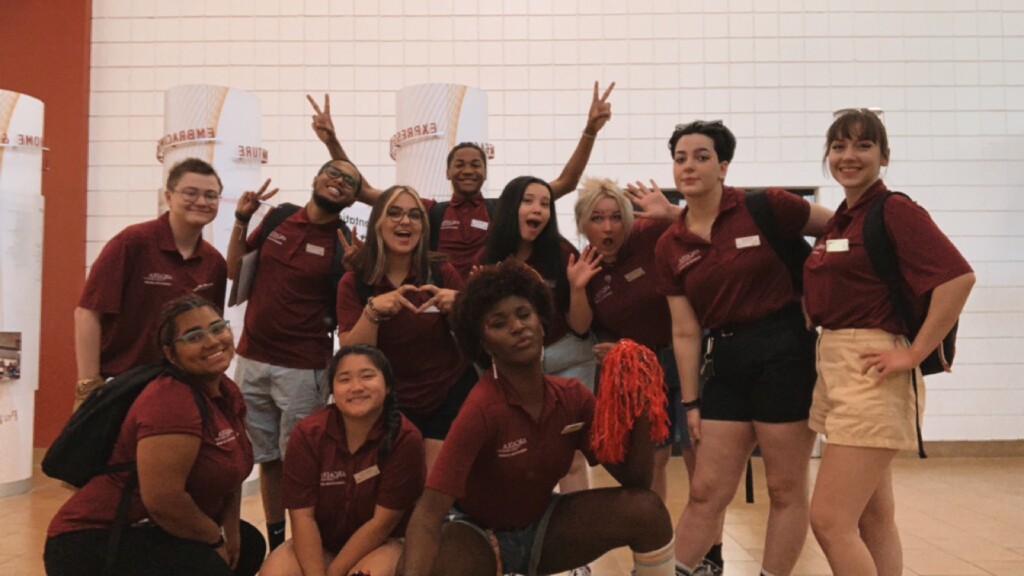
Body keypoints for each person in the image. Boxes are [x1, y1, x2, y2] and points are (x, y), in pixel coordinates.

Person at [400, 260, 677, 576]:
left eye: (523, 314)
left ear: (542, 323)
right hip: (478, 535)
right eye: (499, 323)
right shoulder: (481, 409)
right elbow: (427, 513)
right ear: (484, 344)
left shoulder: (571, 397)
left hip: (544, 528)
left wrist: (639, 406)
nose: (517, 327)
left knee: (647, 510)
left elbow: (637, 482)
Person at [653, 120, 833, 576]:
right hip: (726, 360)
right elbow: (686, 331)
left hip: (785, 352)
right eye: (680, 158)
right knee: (706, 490)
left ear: (723, 166)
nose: (689, 166)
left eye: (701, 156)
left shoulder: (766, 206)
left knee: (786, 488)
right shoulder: (670, 244)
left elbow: (839, 231)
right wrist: (690, 401)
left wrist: (819, 292)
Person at [804, 109, 974, 576]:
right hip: (835, 366)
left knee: (829, 519)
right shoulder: (842, 219)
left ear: (884, 155)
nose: (848, 156)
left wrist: (915, 352)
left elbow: (958, 278)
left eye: (862, 145)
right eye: (839, 146)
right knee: (871, 516)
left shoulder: (895, 209)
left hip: (871, 369)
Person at [45, 295, 265, 576]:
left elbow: (231, 473)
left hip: (151, 527)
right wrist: (214, 538)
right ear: (170, 354)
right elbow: (163, 501)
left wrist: (231, 529)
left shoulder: (226, 390)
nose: (212, 341)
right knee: (207, 568)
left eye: (217, 328)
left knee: (248, 545)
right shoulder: (171, 401)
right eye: (194, 336)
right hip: (95, 541)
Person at [307, 81, 614, 279]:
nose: (468, 170)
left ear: (485, 171)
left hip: (490, 306)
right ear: (448, 172)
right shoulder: (430, 210)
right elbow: (362, 190)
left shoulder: (504, 208)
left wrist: (591, 130)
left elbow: (566, 182)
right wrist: (331, 142)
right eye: (460, 164)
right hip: (443, 308)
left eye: (475, 164)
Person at [225, 160, 363, 551]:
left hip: (304, 369)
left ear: (353, 198)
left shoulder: (344, 243)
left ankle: (306, 544)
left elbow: (350, 304)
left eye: (350, 182)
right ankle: (276, 541)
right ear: (316, 178)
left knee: (301, 464)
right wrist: (240, 219)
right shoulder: (278, 218)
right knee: (266, 459)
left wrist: (357, 271)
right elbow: (237, 268)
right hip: (251, 359)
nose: (339, 182)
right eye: (333, 174)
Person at [73, 158, 227, 409]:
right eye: (190, 193)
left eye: (211, 195)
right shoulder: (132, 243)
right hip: (123, 386)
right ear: (168, 196)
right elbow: (88, 313)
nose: (201, 202)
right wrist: (88, 386)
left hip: (184, 387)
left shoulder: (214, 263)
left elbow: (210, 331)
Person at [259, 345, 426, 576]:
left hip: (382, 545)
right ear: (333, 390)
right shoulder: (308, 434)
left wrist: (335, 572)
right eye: (344, 379)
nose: (356, 387)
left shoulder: (405, 439)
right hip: (321, 544)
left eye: (367, 376)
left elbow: (382, 524)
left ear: (387, 386)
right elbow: (302, 518)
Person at [573, 177, 692, 501]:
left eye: (615, 217)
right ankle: (658, 541)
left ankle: (712, 550)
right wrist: (577, 288)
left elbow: (705, 227)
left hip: (686, 354)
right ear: (583, 224)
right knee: (653, 463)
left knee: (699, 456)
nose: (608, 227)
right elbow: (585, 327)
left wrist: (670, 213)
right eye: (597, 219)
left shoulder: (648, 233)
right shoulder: (588, 268)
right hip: (641, 371)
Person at [336, 185, 471, 470]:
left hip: (446, 391)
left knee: (434, 482)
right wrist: (372, 312)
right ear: (378, 224)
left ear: (423, 227)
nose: (405, 221)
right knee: (398, 481)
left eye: (414, 215)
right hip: (389, 400)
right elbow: (352, 354)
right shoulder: (355, 282)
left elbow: (474, 338)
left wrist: (462, 307)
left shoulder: (442, 272)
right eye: (394, 213)